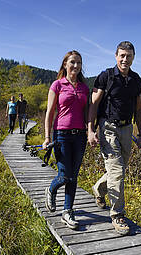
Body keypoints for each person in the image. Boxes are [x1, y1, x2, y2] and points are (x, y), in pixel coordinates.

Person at [87, 41, 141, 236]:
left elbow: (139, 108)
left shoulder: (136, 80)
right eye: (121, 55)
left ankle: (98, 188)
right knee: (117, 170)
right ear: (115, 56)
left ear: (133, 58)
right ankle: (117, 215)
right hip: (108, 127)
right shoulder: (106, 76)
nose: (125, 59)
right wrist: (90, 130)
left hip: (127, 128)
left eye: (128, 56)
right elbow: (93, 104)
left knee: (120, 168)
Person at [43, 50, 90, 230]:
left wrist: (90, 131)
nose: (76, 66)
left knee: (74, 177)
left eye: (79, 63)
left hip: (79, 136)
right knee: (64, 176)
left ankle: (67, 211)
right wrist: (47, 137)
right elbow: (49, 114)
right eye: (72, 62)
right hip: (61, 135)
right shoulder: (57, 85)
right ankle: (51, 189)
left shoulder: (84, 88)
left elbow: (87, 113)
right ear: (65, 64)